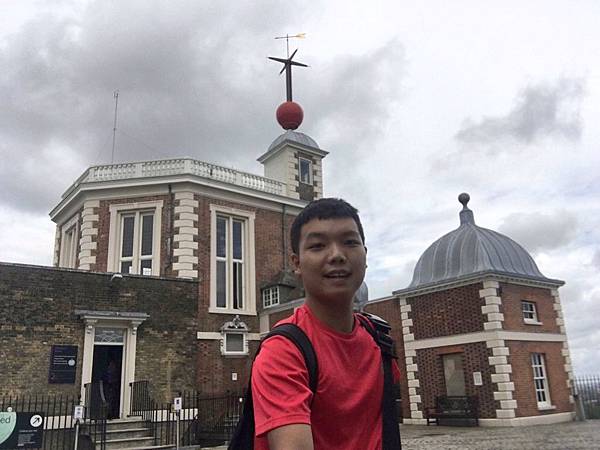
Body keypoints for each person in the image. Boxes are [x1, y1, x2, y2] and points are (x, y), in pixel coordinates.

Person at [251, 197, 400, 450]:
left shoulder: (380, 339)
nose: (337, 255)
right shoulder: (283, 352)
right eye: (318, 245)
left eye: (350, 242)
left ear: (365, 254)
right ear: (296, 263)